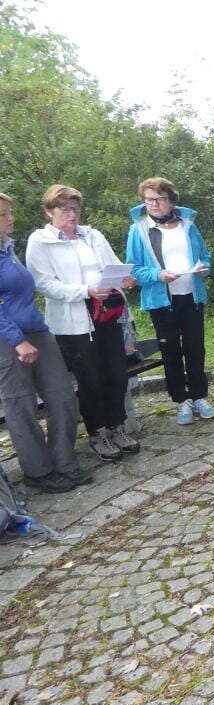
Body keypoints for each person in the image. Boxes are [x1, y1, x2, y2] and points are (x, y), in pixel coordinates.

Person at [26, 184, 140, 461]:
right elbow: (44, 284)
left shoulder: (93, 235)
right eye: (64, 209)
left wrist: (124, 278)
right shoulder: (40, 242)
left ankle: (116, 426)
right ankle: (98, 432)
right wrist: (85, 291)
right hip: (74, 322)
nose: (72, 214)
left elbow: (113, 263)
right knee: (91, 379)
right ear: (49, 211)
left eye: (75, 208)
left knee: (116, 373)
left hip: (107, 312)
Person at [0, 193, 90, 492]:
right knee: (21, 403)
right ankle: (37, 472)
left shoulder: (7, 248)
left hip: (37, 330)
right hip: (7, 340)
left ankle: (64, 462)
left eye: (9, 212)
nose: (11, 218)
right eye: (3, 214)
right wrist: (17, 340)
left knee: (62, 395)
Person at [125, 177, 214, 425]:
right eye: (149, 200)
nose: (154, 204)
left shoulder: (188, 225)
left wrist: (203, 269)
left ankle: (199, 396)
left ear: (171, 200)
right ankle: (181, 401)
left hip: (192, 296)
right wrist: (158, 275)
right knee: (171, 351)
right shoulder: (139, 230)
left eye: (160, 199)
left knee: (195, 348)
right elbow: (133, 269)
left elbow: (205, 257)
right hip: (161, 301)